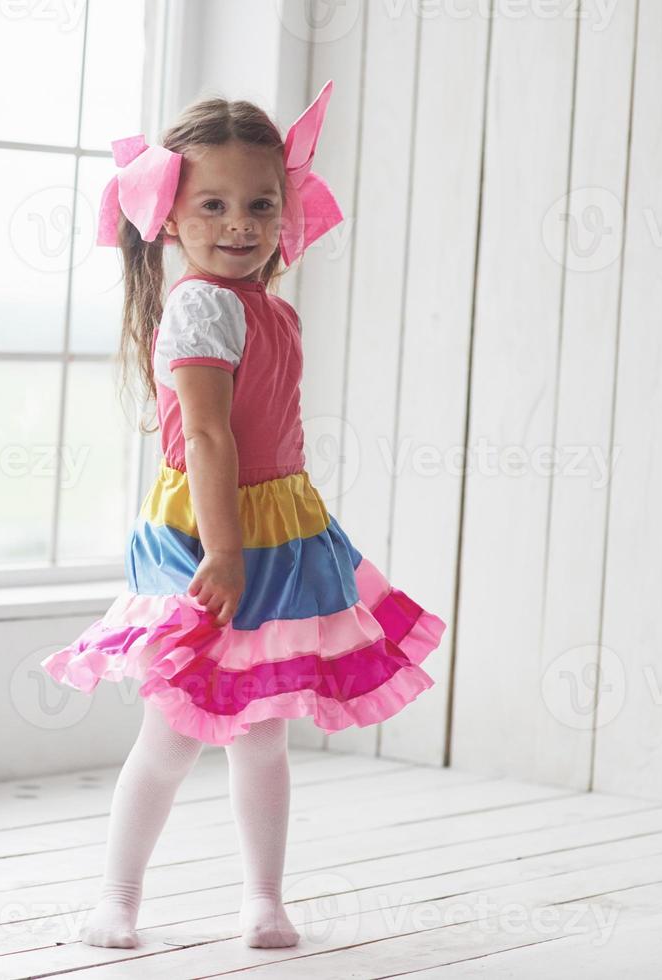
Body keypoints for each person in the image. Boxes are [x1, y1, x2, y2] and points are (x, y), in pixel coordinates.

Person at [41, 80, 447, 950]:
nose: (238, 223)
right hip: (207, 534)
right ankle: (117, 896)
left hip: (278, 529)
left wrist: (266, 540)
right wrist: (222, 555)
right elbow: (213, 441)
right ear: (169, 216)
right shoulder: (198, 304)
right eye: (212, 204)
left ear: (285, 210)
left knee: (261, 735)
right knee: (176, 731)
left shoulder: (271, 309)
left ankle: (263, 897)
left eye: (259, 204)